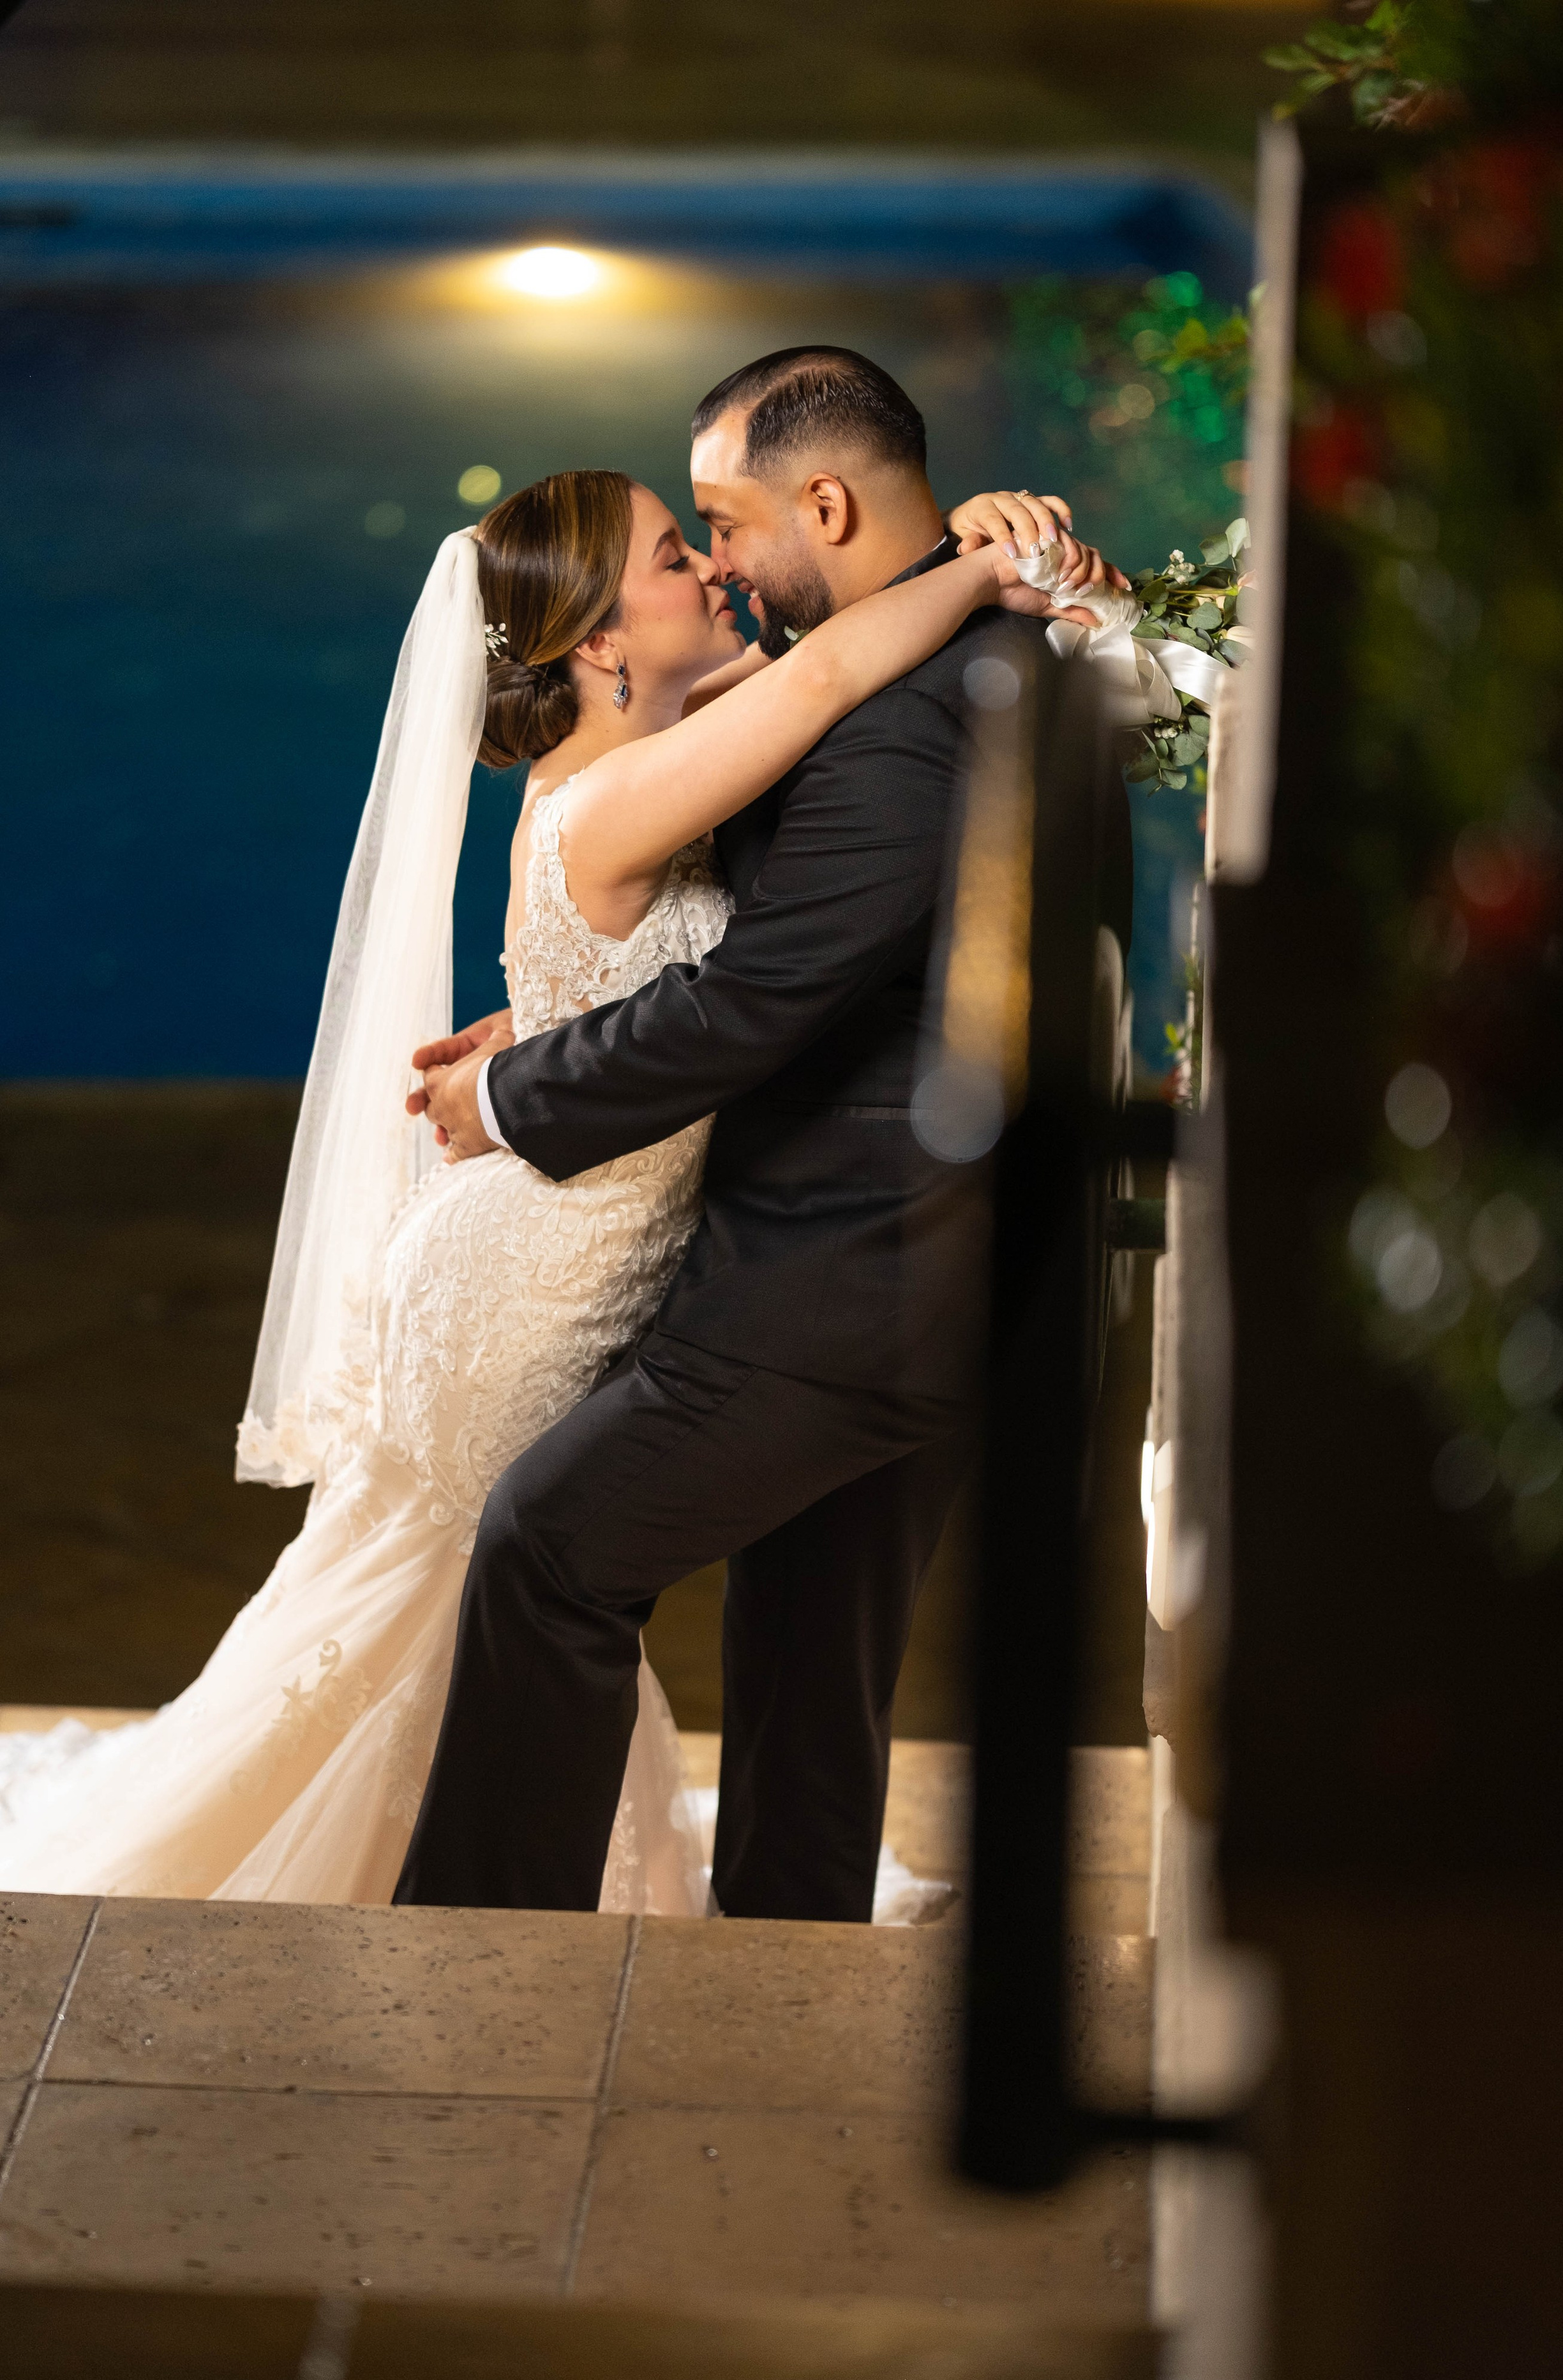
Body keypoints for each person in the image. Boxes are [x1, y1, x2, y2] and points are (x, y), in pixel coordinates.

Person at [0, 426, 1105, 1908]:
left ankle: (500, 1897)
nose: (709, 562)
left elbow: (814, 695)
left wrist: (970, 550)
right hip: (536, 1271)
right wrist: (971, 566)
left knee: (475, 1593)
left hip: (575, 1232)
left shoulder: (666, 729)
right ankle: (463, 1932)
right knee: (493, 1578)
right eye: (672, 551)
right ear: (593, 646)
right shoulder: (626, 784)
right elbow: (835, 679)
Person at [394, 346, 1125, 1923]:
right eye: (687, 542)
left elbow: (755, 997)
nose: (716, 559)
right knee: (807, 1662)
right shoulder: (966, 646)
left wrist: (511, 1097)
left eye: (717, 522)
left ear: (825, 500)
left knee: (548, 1543)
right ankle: (785, 1963)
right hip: (943, 1263)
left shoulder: (899, 713)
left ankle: (475, 1954)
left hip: (847, 1273)